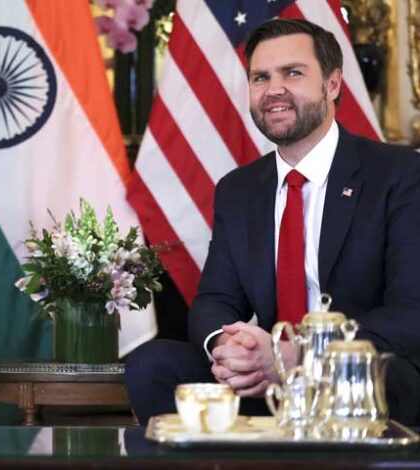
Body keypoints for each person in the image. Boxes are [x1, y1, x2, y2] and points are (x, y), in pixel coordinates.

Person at [125, 19, 420, 426]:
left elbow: (410, 313)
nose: (273, 89)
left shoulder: (400, 174)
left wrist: (300, 354)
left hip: (360, 374)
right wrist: (231, 347)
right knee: (153, 363)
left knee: (380, 374)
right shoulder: (239, 190)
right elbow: (214, 300)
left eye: (293, 73)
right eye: (260, 77)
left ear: (332, 84)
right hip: (264, 382)